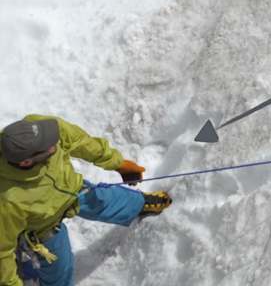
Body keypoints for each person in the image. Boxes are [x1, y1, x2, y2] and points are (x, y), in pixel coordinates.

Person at [0, 116, 172, 286]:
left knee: (104, 199)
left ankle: (139, 204)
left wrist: (118, 163)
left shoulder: (42, 129)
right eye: (49, 147)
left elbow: (80, 141)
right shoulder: (8, 201)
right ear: (26, 162)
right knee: (59, 271)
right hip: (42, 228)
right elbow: (2, 251)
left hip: (71, 190)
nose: (55, 141)